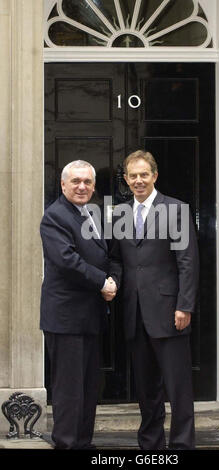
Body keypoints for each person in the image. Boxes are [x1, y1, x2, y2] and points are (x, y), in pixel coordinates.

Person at [109, 150, 199, 450]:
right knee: (146, 390)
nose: (138, 180)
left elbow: (188, 262)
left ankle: (182, 445)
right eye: (132, 175)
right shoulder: (119, 213)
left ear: (154, 176)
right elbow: (117, 260)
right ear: (126, 179)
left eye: (143, 174)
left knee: (178, 387)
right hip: (135, 314)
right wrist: (113, 284)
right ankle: (150, 445)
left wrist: (185, 305)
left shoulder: (176, 210)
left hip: (170, 312)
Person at [40, 160, 116, 450]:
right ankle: (67, 443)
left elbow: (104, 255)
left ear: (94, 185)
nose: (82, 186)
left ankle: (83, 443)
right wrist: (103, 282)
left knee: (87, 388)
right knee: (69, 390)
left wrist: (113, 280)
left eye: (87, 181)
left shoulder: (92, 214)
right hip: (66, 318)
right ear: (63, 184)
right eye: (75, 181)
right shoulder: (55, 217)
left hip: (91, 317)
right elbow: (67, 261)